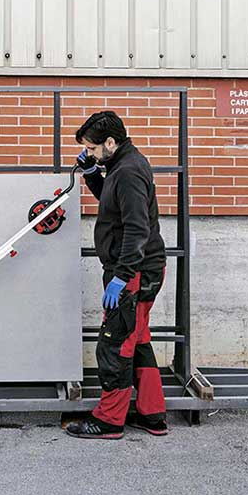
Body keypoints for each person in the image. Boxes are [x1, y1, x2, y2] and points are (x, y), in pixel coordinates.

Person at [66, 110, 168, 440]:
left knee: (115, 344)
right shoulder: (122, 166)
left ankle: (109, 420)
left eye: (94, 149)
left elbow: (137, 228)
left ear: (111, 142)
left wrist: (122, 276)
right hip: (139, 268)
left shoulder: (127, 172)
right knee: (137, 339)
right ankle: (153, 415)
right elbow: (113, 206)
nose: (90, 153)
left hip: (135, 270)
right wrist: (93, 172)